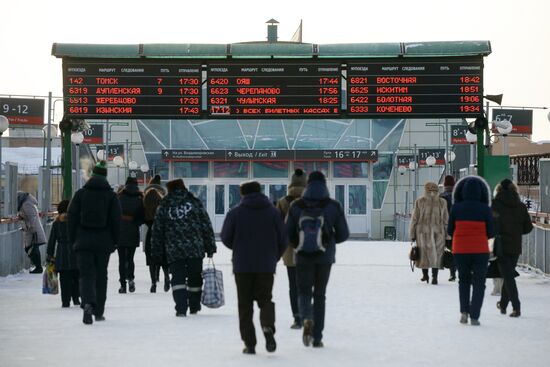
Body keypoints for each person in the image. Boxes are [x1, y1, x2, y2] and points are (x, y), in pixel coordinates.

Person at [221, 181, 287, 355]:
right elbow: (284, 238)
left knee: (245, 304)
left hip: (242, 266)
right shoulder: (273, 212)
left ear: (242, 194)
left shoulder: (235, 213)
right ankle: (267, 326)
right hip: (266, 265)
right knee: (265, 299)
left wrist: (238, 247)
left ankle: (250, 344)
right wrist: (275, 256)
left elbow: (226, 237)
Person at [286, 171, 349, 348]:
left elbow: (287, 233)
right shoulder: (333, 206)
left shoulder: (297, 205)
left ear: (307, 185)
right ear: (324, 184)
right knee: (320, 295)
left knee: (304, 291)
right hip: (324, 258)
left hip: (303, 257)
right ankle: (318, 337)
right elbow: (344, 234)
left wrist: (299, 242)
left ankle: (306, 318)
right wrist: (328, 239)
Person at [151, 178, 216, 317]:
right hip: (195, 248)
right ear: (183, 187)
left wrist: (156, 252)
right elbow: (206, 224)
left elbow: (157, 230)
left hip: (174, 249)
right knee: (195, 278)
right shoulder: (194, 201)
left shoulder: (164, 205)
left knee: (177, 278)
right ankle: (194, 306)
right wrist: (210, 246)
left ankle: (181, 308)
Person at [68, 160, 121, 325]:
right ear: (105, 177)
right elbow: (116, 220)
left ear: (92, 176)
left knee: (86, 275)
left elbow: (72, 217)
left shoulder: (80, 194)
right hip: (103, 243)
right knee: (101, 276)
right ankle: (99, 312)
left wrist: (74, 239)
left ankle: (88, 304)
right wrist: (115, 241)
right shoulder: (111, 196)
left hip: (83, 242)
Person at [448, 175, 494, 326]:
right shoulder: (485, 209)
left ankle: (464, 312)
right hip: (480, 250)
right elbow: (492, 232)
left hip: (460, 249)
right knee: (479, 282)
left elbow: (450, 230)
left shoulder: (456, 208)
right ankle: (475, 315)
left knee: (464, 281)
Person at [492, 179, 533, 317]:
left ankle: (516, 307)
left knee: (508, 276)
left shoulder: (495, 205)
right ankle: (503, 304)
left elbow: (490, 226)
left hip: (500, 246)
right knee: (508, 274)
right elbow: (528, 228)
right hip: (515, 246)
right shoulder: (521, 206)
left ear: (498, 190)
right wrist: (516, 231)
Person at [276, 168, 307, 329]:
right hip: (310, 250)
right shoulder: (312, 200)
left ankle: (297, 317)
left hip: (290, 252)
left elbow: (277, 227)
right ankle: (308, 314)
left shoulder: (283, 202)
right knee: (307, 285)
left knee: (293, 286)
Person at [409, 182, 448, 285]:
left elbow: (414, 219)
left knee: (423, 254)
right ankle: (435, 277)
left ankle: (425, 275)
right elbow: (445, 220)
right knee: (437, 254)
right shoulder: (442, 202)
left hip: (422, 232)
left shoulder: (420, 201)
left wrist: (412, 234)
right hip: (438, 232)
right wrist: (448, 235)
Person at [46, 200, 80, 307]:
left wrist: (50, 254)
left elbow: (52, 240)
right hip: (75, 252)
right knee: (76, 277)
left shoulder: (56, 223)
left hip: (62, 253)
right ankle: (76, 299)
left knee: (64, 279)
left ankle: (65, 301)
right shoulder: (77, 221)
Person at [116, 176, 145, 294]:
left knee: (121, 259)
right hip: (133, 230)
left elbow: (114, 213)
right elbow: (142, 217)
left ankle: (123, 285)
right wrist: (135, 223)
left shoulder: (119, 197)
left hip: (120, 230)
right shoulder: (139, 199)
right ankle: (131, 279)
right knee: (130, 258)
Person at [143, 174, 170, 293]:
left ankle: (153, 283)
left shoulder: (145, 199)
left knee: (151, 257)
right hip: (163, 232)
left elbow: (142, 217)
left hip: (151, 231)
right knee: (164, 256)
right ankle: (166, 277)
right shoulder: (164, 201)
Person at [17, 192, 47, 273]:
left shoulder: (26, 204)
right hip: (32, 229)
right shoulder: (26, 203)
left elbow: (32, 216)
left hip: (33, 230)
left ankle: (38, 267)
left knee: (32, 248)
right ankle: (38, 266)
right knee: (31, 248)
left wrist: (31, 228)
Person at [439, 175, 457, 281]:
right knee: (455, 250)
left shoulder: (441, 197)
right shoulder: (458, 196)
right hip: (457, 227)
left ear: (445, 185)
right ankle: (454, 271)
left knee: (446, 249)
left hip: (443, 227)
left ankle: (450, 271)